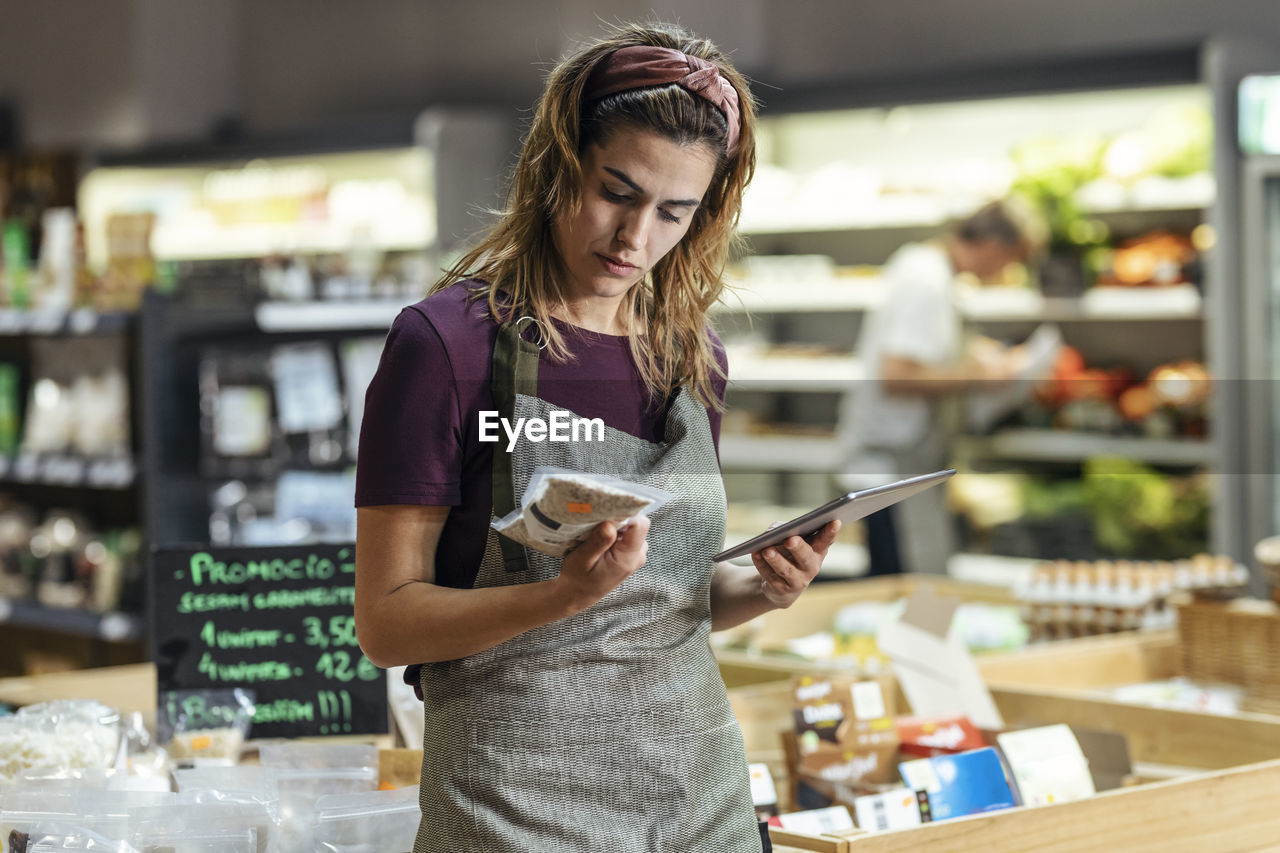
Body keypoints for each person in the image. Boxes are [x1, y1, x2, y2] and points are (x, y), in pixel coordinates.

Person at [353, 22, 840, 853]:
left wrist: (766, 587)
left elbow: (662, 602)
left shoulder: (692, 356)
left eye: (673, 212)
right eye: (617, 191)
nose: (634, 238)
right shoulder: (446, 347)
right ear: (557, 163)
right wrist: (559, 595)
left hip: (698, 799)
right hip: (513, 806)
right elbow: (387, 622)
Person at [837, 200, 1043, 576]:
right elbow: (897, 375)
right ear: (994, 245)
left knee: (913, 579)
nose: (1005, 271)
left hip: (904, 464)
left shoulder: (928, 269)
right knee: (902, 584)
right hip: (892, 468)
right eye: (1011, 259)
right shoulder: (926, 282)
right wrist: (977, 376)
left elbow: (919, 351)